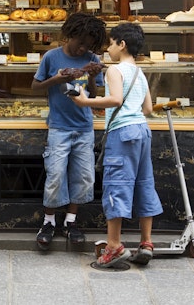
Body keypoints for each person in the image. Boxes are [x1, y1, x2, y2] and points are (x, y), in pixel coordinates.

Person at [71, 23, 163, 267]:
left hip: (122, 133)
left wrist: (85, 102)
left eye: (111, 43)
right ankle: (146, 243)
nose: (108, 48)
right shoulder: (140, 72)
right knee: (144, 184)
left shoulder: (115, 70)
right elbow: (148, 109)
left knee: (117, 185)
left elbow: (115, 99)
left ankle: (114, 247)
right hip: (142, 131)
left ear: (122, 44)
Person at [31, 12, 106, 250]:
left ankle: (71, 222)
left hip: (84, 128)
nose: (82, 48)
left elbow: (94, 96)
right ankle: (49, 221)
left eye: (88, 45)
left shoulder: (92, 58)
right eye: (80, 42)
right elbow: (35, 87)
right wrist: (57, 78)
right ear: (70, 34)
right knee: (55, 175)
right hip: (59, 127)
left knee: (83, 177)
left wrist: (92, 77)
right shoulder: (52, 57)